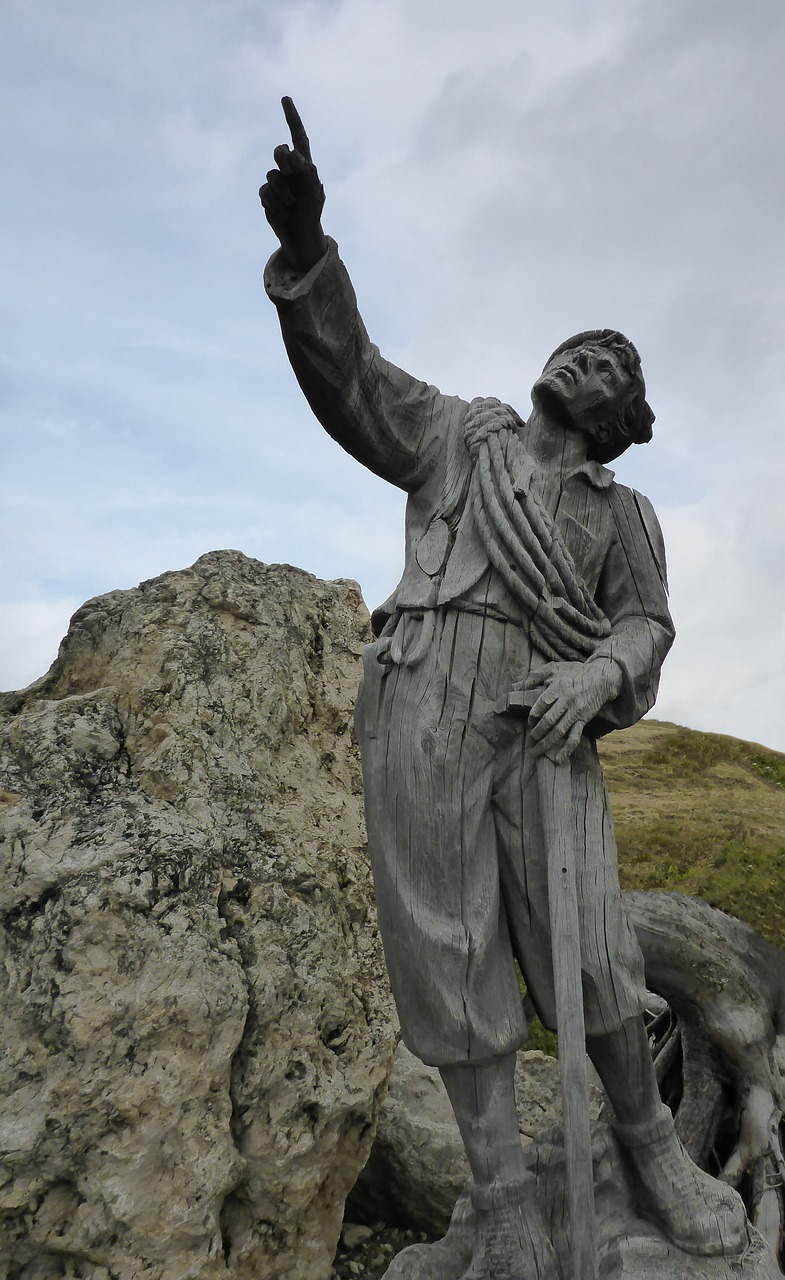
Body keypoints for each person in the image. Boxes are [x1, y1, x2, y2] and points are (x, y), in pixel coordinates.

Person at [260, 98, 749, 1278]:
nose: (584, 357)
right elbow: (354, 382)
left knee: (586, 958)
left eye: (610, 365)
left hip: (545, 719)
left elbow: (645, 621)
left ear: (621, 420)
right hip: (424, 684)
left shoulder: (621, 514)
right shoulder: (458, 438)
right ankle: (499, 1199)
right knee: (448, 948)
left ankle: (653, 1151)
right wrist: (309, 258)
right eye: (579, 345)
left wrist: (596, 671)